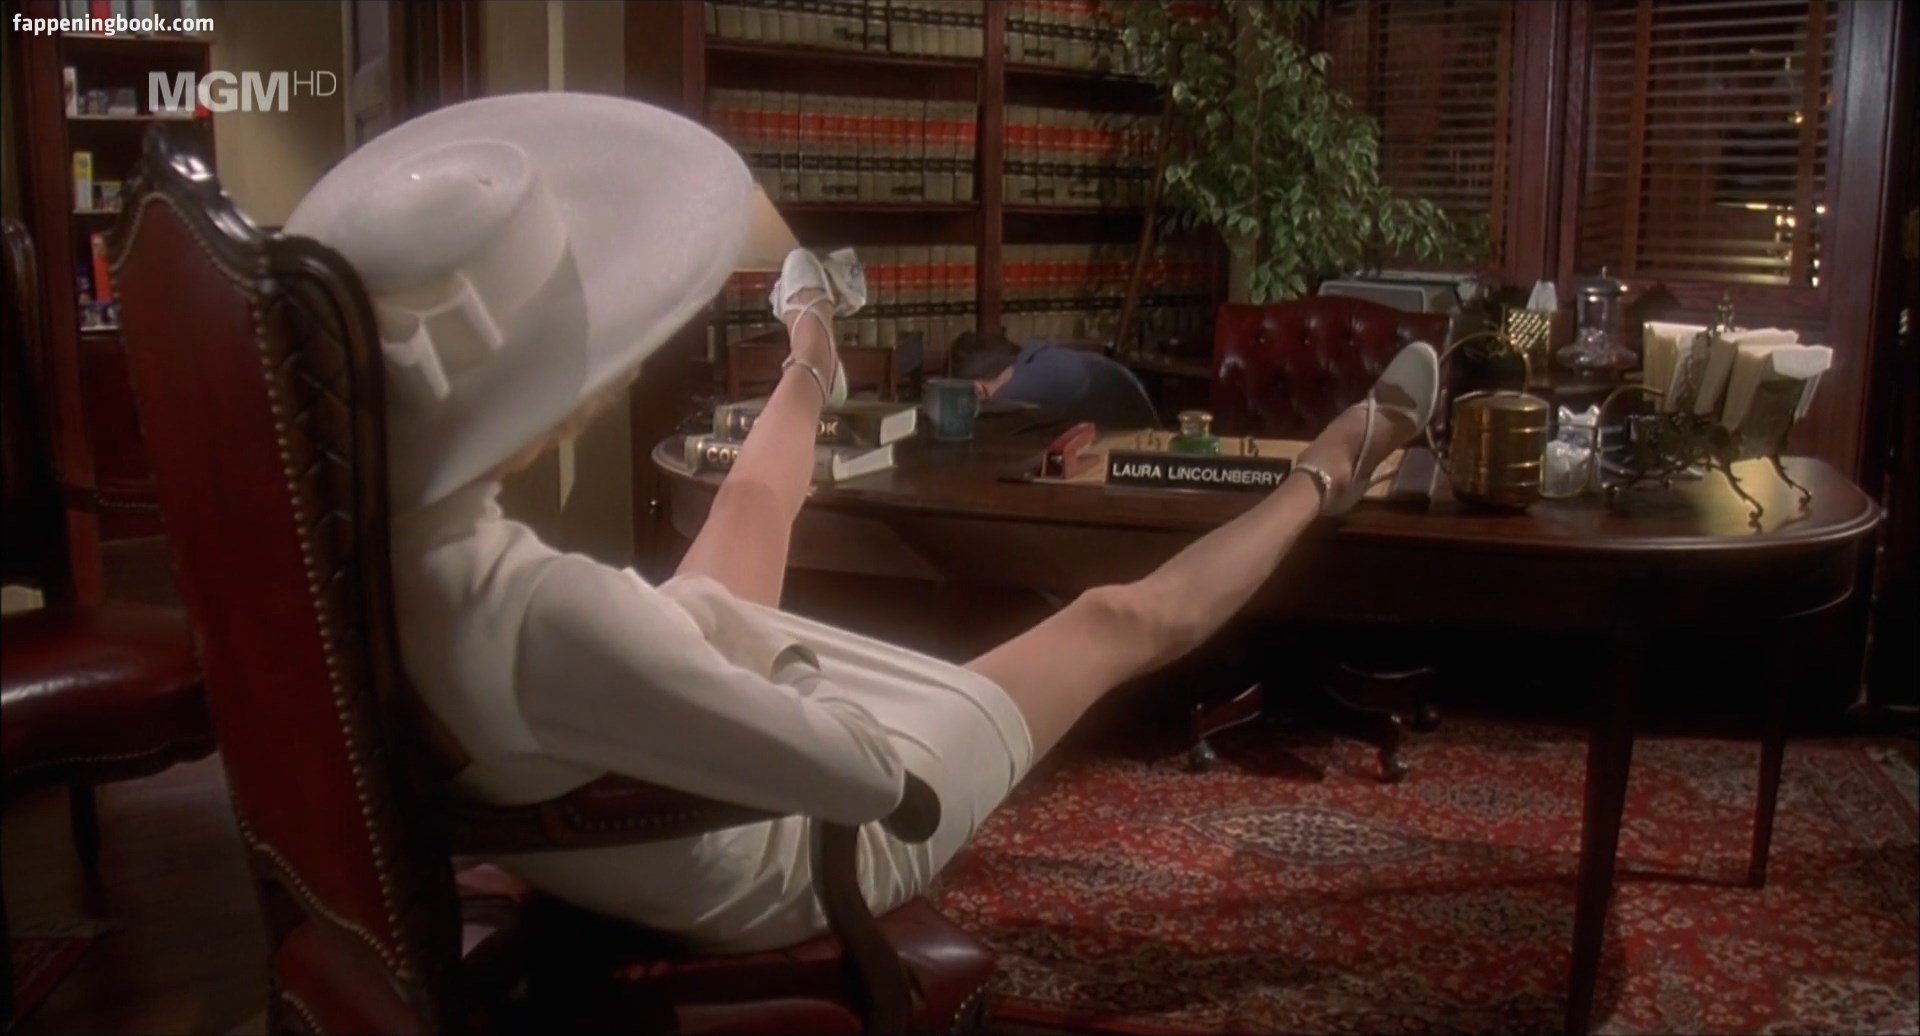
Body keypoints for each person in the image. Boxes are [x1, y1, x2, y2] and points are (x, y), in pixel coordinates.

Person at [284, 93, 1439, 954]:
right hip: (787, 856)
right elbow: (876, 784)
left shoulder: (364, 565)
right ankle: (1333, 464)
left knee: (750, 502)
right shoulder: (549, 620)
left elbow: (599, 663)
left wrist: (713, 639)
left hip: (613, 781)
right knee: (1111, 617)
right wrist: (777, 658)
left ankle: (812, 347)